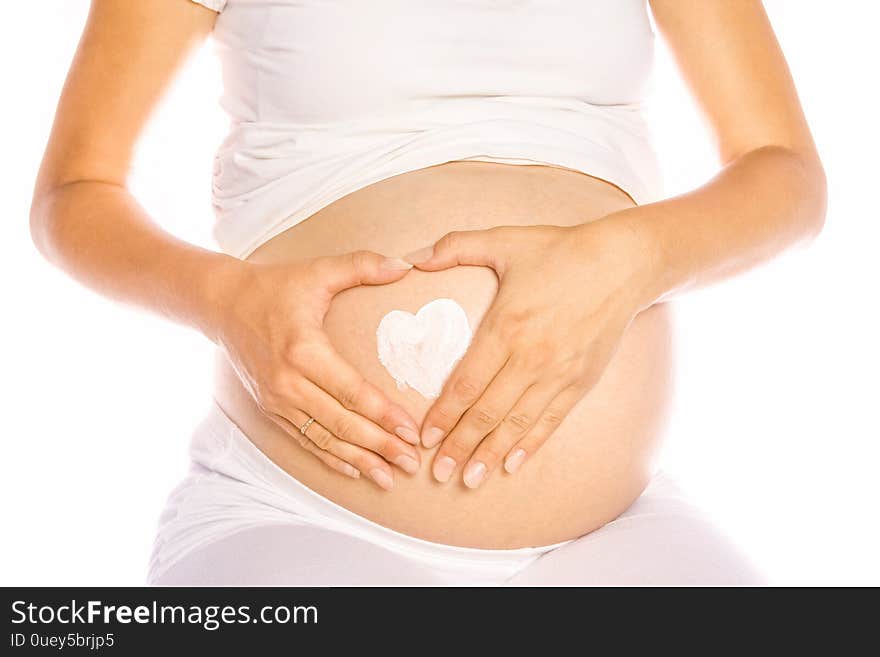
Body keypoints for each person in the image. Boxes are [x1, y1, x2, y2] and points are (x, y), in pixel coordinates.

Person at [30, 0, 825, 585]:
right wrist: (223, 298)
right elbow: (73, 191)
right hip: (292, 512)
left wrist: (634, 255)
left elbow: (784, 171)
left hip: (614, 525)